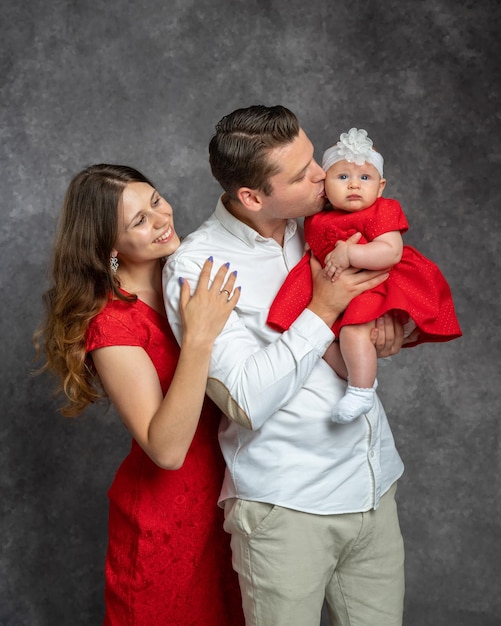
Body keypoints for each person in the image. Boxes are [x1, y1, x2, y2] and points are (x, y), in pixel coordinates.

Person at [163, 106, 409, 626]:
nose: (324, 174)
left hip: (373, 487)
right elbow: (247, 400)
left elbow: (377, 302)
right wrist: (321, 309)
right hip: (287, 510)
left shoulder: (325, 224)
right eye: (301, 175)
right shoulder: (199, 267)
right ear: (252, 196)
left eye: (312, 157)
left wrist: (389, 330)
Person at [34, 164, 245, 626]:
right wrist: (199, 339)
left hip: (232, 506)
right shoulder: (111, 324)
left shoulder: (188, 269)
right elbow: (165, 449)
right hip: (166, 525)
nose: (161, 217)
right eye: (139, 221)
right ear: (110, 248)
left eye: (155, 201)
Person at [267, 127, 462, 423]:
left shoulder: (381, 211)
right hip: (326, 286)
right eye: (342, 177)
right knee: (311, 337)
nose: (353, 185)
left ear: (381, 187)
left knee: (353, 331)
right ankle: (358, 374)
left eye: (365, 178)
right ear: (325, 184)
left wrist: (350, 253)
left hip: (369, 286)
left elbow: (391, 252)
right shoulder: (315, 214)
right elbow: (314, 242)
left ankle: (360, 391)